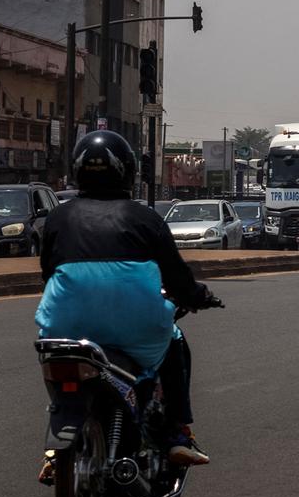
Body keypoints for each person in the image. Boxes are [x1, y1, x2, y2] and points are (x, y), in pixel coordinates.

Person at [37, 131, 220, 469]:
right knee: (174, 341)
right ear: (128, 172)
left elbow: (47, 272)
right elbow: (177, 277)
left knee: (59, 366)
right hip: (136, 329)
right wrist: (198, 296)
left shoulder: (57, 218)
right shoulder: (145, 218)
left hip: (61, 325)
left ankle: (57, 442)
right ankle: (178, 432)